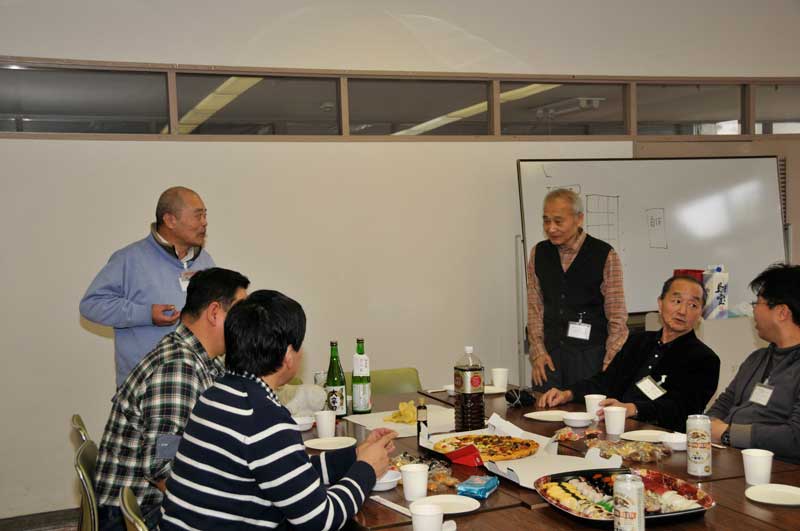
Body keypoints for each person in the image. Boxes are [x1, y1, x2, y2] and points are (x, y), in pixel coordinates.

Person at [160, 290, 397, 531]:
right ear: (288, 356)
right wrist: (366, 470)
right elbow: (321, 520)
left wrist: (354, 456)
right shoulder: (263, 419)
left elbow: (287, 475)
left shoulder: (217, 394)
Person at [94, 268, 249, 531]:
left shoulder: (197, 357)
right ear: (214, 312)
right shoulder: (178, 368)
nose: (245, 324)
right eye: (241, 313)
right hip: (137, 515)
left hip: (141, 505)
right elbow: (161, 468)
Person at [538, 275, 720, 432]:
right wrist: (569, 393)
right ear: (660, 303)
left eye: (693, 305)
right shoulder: (638, 342)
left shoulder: (705, 359)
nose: (683, 311)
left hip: (661, 439)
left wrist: (633, 409)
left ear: (700, 314)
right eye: (677, 301)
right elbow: (606, 381)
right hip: (615, 429)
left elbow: (682, 410)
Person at [80, 186, 215, 386]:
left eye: (205, 215)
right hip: (146, 387)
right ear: (170, 220)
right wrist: (146, 314)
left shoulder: (206, 262)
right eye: (198, 215)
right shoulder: (129, 259)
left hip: (196, 384)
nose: (204, 222)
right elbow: (91, 305)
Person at [527, 188, 628, 391]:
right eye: (546, 221)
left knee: (585, 411)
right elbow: (534, 308)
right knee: (542, 409)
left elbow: (617, 315)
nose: (551, 228)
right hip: (549, 359)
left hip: (590, 358)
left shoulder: (605, 254)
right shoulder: (539, 253)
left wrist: (610, 361)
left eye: (558, 221)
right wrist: (537, 351)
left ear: (579, 219)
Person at [707, 263, 800, 463]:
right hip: (731, 459)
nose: (753, 311)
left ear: (782, 312)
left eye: (757, 303)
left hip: (779, 471)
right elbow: (724, 403)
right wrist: (705, 426)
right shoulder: (757, 358)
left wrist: (728, 433)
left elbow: (795, 438)